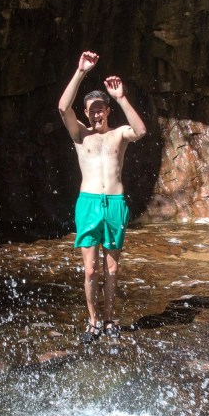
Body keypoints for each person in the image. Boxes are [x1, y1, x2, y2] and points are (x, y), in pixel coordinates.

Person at [58, 51, 147, 344]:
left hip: (115, 204)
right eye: (91, 111)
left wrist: (121, 98)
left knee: (112, 268)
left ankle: (109, 319)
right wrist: (81, 71)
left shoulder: (118, 135)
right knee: (90, 270)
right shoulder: (80, 136)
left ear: (107, 111)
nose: (96, 114)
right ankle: (93, 320)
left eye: (100, 109)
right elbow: (62, 107)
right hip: (88, 203)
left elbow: (141, 130)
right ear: (85, 113)